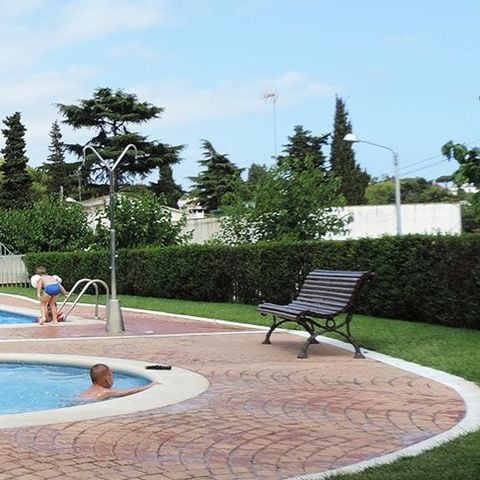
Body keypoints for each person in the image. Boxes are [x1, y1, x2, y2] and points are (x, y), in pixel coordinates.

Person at [79, 363, 155, 402]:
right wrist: (150, 385)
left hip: (80, 401)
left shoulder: (88, 390)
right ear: (108, 379)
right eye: (111, 376)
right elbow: (129, 392)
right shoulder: (106, 392)